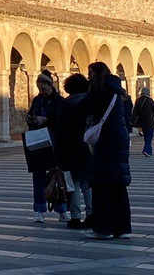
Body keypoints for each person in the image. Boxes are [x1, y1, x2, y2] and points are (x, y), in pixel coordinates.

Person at [83, 61, 132, 240]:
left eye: (90, 73)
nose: (89, 76)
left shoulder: (100, 89)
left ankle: (103, 228)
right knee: (119, 185)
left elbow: (83, 107)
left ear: (96, 73)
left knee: (102, 184)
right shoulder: (117, 91)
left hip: (105, 139)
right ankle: (123, 228)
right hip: (120, 138)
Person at [26, 70, 65, 223]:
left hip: (54, 141)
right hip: (38, 142)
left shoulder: (59, 101)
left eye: (43, 88)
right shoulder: (37, 101)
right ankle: (39, 209)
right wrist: (33, 120)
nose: (41, 91)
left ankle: (62, 209)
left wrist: (46, 120)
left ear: (50, 85)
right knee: (38, 176)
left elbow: (61, 121)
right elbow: (29, 115)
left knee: (57, 177)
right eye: (39, 88)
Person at [55, 73, 92, 229]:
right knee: (87, 183)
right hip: (88, 146)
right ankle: (92, 214)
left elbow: (61, 129)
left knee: (73, 184)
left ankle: (75, 216)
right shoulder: (90, 102)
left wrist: (58, 153)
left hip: (70, 148)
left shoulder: (65, 104)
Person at [132, 86, 154, 158]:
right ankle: (146, 150)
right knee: (149, 136)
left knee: (146, 136)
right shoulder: (150, 101)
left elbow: (135, 112)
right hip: (150, 121)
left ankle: (149, 151)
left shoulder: (138, 100)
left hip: (142, 121)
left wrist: (132, 120)